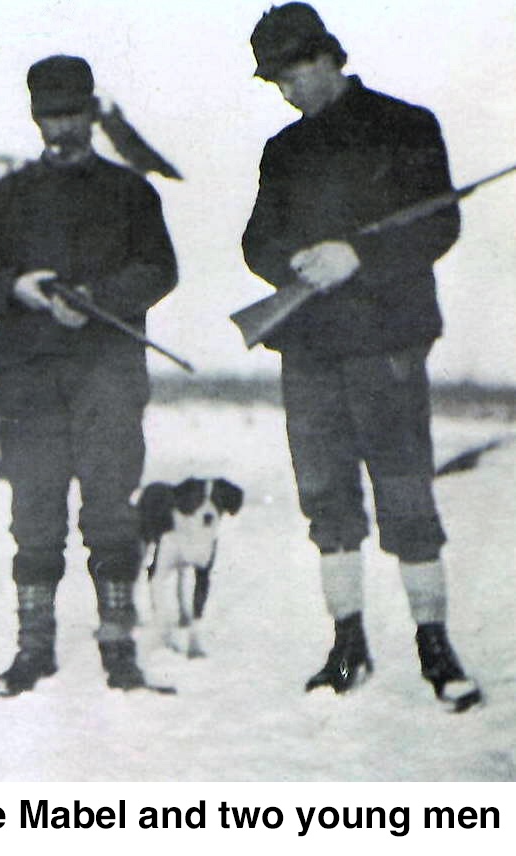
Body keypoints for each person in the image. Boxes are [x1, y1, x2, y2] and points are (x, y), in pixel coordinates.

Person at [241, 3, 481, 711]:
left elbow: (440, 221)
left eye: (294, 73)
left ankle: (435, 646)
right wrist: (292, 261)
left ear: (327, 57)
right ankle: (347, 643)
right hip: (309, 344)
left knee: (405, 490)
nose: (288, 91)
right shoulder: (283, 151)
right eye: (276, 81)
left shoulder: (407, 125)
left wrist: (358, 256)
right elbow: (256, 240)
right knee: (327, 499)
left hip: (386, 340)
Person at [0, 55, 178, 696]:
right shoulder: (8, 196)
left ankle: (118, 643)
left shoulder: (132, 193)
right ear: (34, 117)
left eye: (73, 113)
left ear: (92, 113)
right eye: (50, 115)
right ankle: (33, 648)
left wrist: (97, 296)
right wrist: (13, 286)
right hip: (29, 378)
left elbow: (160, 269)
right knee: (35, 514)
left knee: (110, 508)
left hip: (108, 375)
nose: (62, 127)